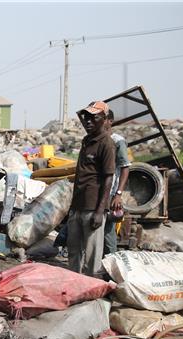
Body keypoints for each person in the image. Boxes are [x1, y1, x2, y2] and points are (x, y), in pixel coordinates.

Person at [68, 101, 116, 277]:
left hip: (92, 206)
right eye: (86, 117)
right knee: (73, 251)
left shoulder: (106, 144)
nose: (88, 121)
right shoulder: (87, 140)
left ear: (104, 119)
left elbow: (108, 178)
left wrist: (100, 210)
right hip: (78, 205)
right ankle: (73, 283)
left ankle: (90, 290)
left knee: (91, 256)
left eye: (93, 118)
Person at [103, 109, 131, 256]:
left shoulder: (117, 141)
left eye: (103, 119)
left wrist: (118, 194)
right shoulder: (93, 139)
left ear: (110, 121)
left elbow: (125, 168)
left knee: (108, 231)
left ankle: (111, 266)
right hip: (95, 192)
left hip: (110, 192)